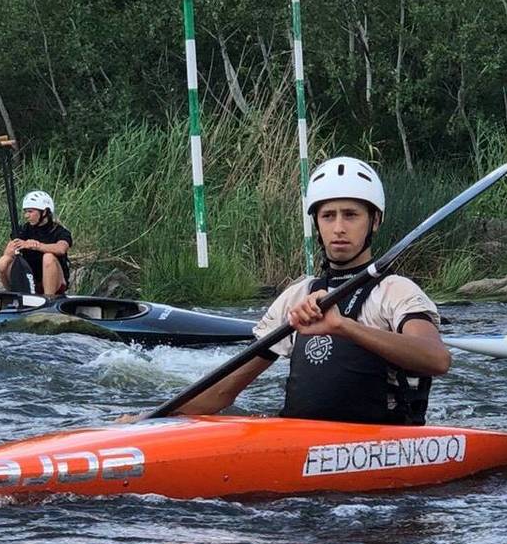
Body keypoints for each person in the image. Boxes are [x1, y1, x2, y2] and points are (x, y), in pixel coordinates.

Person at [152, 156, 451, 424]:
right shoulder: (297, 296)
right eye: (328, 216)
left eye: (351, 215)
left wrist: (343, 326)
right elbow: (223, 389)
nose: (338, 228)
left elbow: (436, 359)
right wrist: (150, 421)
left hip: (379, 442)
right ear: (316, 223)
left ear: (374, 221)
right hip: (301, 443)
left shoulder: (396, 291)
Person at [0, 190, 72, 296]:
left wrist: (35, 246)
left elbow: (61, 249)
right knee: (3, 261)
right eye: (25, 212)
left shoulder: (60, 231)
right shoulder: (23, 230)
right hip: (29, 280)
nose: (26, 216)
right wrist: (13, 247)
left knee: (48, 257)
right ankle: (13, 295)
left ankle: (48, 298)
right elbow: (7, 254)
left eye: (30, 211)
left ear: (44, 212)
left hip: (56, 283)